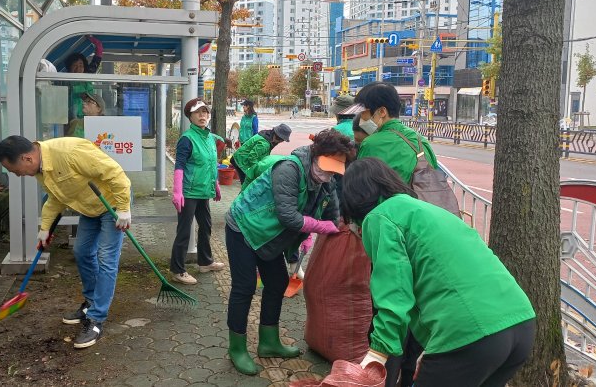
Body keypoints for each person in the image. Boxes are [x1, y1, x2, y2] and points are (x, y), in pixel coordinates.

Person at [342, 158, 536, 387]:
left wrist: (375, 357)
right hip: (521, 325)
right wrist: (435, 350)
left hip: (470, 332)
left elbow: (395, 294)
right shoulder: (427, 210)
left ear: (354, 199)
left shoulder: (380, 217)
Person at [225, 129, 354, 375]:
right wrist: (319, 228)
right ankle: (237, 348)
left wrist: (328, 228)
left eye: (335, 170)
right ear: (317, 154)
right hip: (244, 228)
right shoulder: (289, 169)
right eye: (327, 167)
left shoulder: (326, 180)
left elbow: (332, 213)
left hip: (270, 236)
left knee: (277, 283)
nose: (328, 176)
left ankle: (269, 341)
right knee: (244, 287)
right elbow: (287, 216)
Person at [0, 135, 131, 350]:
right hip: (89, 208)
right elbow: (56, 198)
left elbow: (115, 173)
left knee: (106, 259)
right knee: (82, 252)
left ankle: (96, 319)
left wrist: (123, 208)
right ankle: (90, 303)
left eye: (14, 170)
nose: (16, 174)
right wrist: (45, 229)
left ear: (26, 158)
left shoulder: (70, 152)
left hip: (111, 205)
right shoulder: (41, 169)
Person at [352, 81, 441, 386]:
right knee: (416, 311)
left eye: (365, 113)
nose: (362, 119)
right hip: (426, 237)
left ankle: (382, 376)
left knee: (389, 308)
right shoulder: (420, 141)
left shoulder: (374, 146)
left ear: (381, 112)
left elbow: (364, 195)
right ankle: (407, 378)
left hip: (393, 236)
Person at [171, 98, 226, 285]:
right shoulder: (187, 139)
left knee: (206, 226)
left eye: (205, 112)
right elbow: (179, 166)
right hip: (188, 192)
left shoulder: (210, 138)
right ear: (190, 116)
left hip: (204, 191)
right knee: (184, 231)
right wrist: (177, 192)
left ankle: (205, 262)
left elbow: (211, 165)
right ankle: (178, 270)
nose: (203, 116)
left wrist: (215, 185)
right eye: (198, 113)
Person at [65, 35, 104, 120]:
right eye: (74, 65)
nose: (78, 68)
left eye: (80, 65)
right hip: (70, 117)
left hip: (89, 115)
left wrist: (89, 37)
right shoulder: (64, 79)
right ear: (69, 67)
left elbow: (99, 49)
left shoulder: (88, 73)